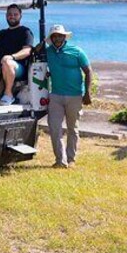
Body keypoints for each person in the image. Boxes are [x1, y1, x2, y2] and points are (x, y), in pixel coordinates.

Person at [45, 24, 92, 169]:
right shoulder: (47, 52)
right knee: (54, 128)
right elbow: (37, 60)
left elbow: (88, 71)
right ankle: (60, 160)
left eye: (60, 36)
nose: (57, 38)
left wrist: (87, 93)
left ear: (64, 37)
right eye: (54, 36)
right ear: (51, 38)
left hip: (75, 96)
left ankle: (71, 159)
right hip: (56, 96)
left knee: (73, 129)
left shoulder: (77, 51)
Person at [0, 4, 34, 105]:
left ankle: (8, 94)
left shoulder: (25, 32)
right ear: (6, 16)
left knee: (7, 62)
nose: (12, 16)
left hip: (18, 67)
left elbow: (27, 51)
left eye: (15, 14)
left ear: (20, 16)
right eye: (9, 14)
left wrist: (12, 57)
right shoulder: (2, 33)